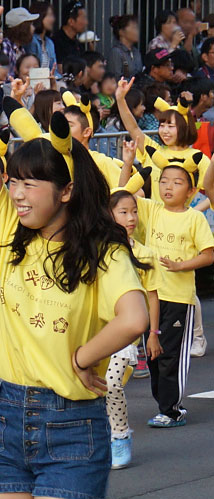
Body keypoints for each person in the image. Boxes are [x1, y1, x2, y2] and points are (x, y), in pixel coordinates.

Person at [0, 10, 148, 499]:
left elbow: (134, 317)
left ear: (65, 192)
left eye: (31, 183)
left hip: (73, 429)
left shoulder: (101, 249)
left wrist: (82, 359)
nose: (17, 194)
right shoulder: (6, 232)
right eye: (13, 181)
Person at [124, 145, 214, 428]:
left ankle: (172, 410)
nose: (168, 187)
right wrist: (133, 166)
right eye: (163, 181)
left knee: (170, 357)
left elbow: (209, 254)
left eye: (177, 183)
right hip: (150, 296)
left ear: (190, 191)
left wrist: (180, 266)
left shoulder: (195, 218)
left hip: (178, 298)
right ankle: (165, 405)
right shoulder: (151, 210)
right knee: (153, 356)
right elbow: (121, 198)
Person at [108, 172, 162, 468]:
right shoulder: (95, 248)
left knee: (112, 383)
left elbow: (152, 297)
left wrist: (152, 333)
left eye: (134, 211)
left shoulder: (145, 254)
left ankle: (120, 435)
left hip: (124, 335)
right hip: (93, 331)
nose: (131, 217)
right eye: (123, 211)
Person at [115, 77, 211, 205]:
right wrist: (120, 99)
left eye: (170, 126)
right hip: (155, 221)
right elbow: (133, 128)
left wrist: (193, 213)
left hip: (183, 222)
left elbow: (211, 191)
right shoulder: (154, 150)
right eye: (162, 125)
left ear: (184, 127)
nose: (164, 131)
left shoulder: (197, 157)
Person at [105, 87, 145, 158]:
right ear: (132, 105)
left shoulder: (141, 121)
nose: (144, 108)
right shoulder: (114, 125)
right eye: (141, 104)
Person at [2, 7, 39, 77]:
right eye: (31, 24)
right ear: (23, 28)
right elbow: (5, 77)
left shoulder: (21, 49)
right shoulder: (6, 46)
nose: (34, 28)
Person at [52, 0, 87, 72]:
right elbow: (60, 69)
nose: (86, 22)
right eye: (83, 18)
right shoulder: (56, 42)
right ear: (71, 21)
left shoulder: (78, 43)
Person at [107, 15, 143, 80]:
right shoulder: (116, 52)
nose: (137, 31)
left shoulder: (136, 52)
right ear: (121, 32)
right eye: (134, 28)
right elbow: (116, 79)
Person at [26, 1, 57, 70]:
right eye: (49, 15)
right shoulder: (31, 40)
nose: (53, 19)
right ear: (40, 17)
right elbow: (32, 69)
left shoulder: (49, 42)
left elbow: (54, 70)